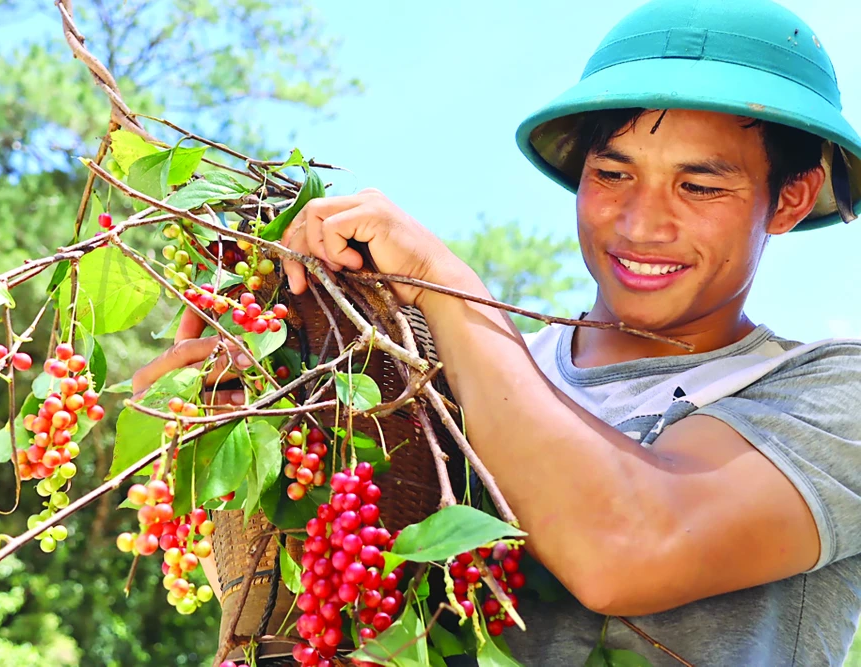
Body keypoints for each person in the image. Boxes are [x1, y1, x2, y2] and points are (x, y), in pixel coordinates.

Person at [132, 0, 861, 664]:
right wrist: (260, 421)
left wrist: (438, 278)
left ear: (790, 198)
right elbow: (340, 597)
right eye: (612, 174)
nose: (642, 224)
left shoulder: (831, 394)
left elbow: (627, 545)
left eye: (700, 186)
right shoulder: (448, 378)